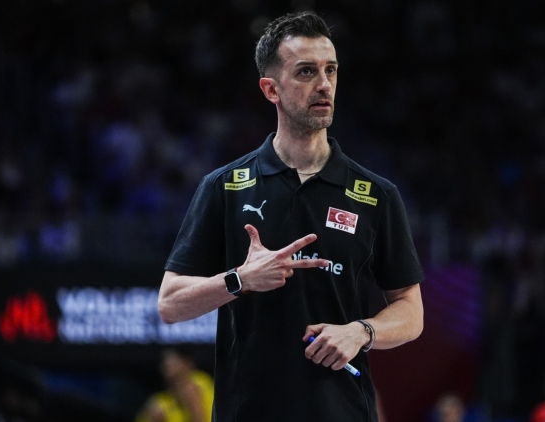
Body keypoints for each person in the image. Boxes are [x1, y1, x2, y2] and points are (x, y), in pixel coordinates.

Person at [158, 11, 425, 421]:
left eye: (330, 70)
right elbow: (170, 304)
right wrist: (240, 279)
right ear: (271, 89)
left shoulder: (376, 195)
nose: (324, 84)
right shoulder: (224, 187)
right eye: (305, 72)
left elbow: (411, 310)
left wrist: (361, 331)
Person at [136, 347, 214, 422]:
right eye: (164, 362)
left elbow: (199, 416)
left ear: (186, 363)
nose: (166, 365)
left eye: (171, 361)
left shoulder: (196, 381)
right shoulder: (161, 400)